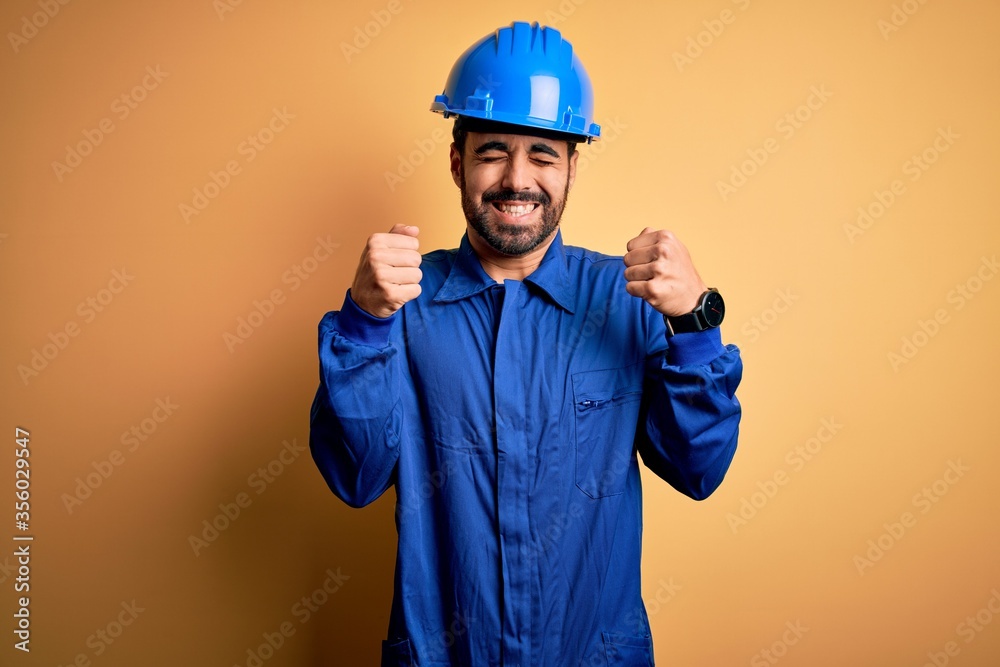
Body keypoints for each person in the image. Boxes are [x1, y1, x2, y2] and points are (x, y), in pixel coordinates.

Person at [309, 21, 743, 666]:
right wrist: (365, 323)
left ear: (571, 168)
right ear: (458, 162)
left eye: (543, 154)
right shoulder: (401, 303)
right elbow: (355, 476)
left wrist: (695, 328)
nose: (518, 178)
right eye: (492, 152)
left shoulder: (630, 302)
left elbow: (698, 469)